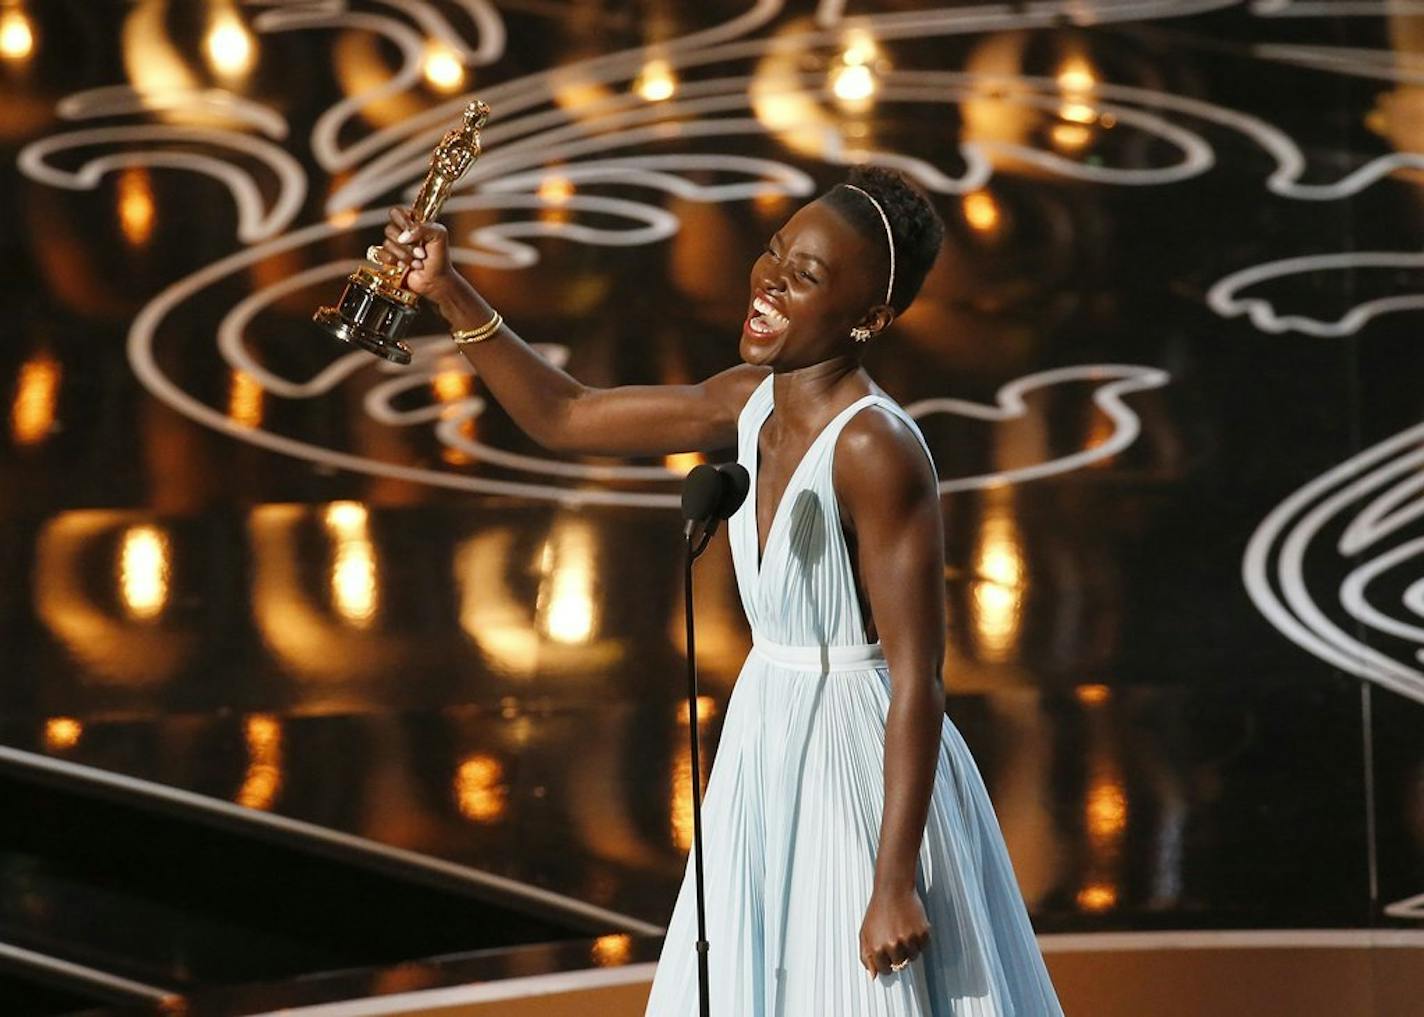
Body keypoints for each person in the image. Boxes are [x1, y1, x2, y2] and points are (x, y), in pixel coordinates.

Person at [379, 165, 1064, 1016]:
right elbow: (567, 416)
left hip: (856, 758)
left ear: (870, 318)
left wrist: (894, 880)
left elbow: (918, 678)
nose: (770, 281)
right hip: (764, 732)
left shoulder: (877, 449)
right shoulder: (749, 399)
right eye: (774, 254)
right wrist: (447, 291)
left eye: (806, 276)